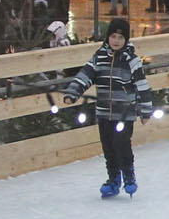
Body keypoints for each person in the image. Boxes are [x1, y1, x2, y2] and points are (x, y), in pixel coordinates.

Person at [58, 17, 154, 198]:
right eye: (113, 36)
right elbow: (85, 75)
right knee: (108, 147)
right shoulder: (99, 57)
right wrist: (72, 93)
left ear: (126, 40)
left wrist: (145, 111)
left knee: (121, 144)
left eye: (120, 37)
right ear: (108, 37)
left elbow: (142, 86)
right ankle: (113, 179)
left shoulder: (131, 61)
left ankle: (129, 175)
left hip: (124, 114)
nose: (116, 41)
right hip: (103, 113)